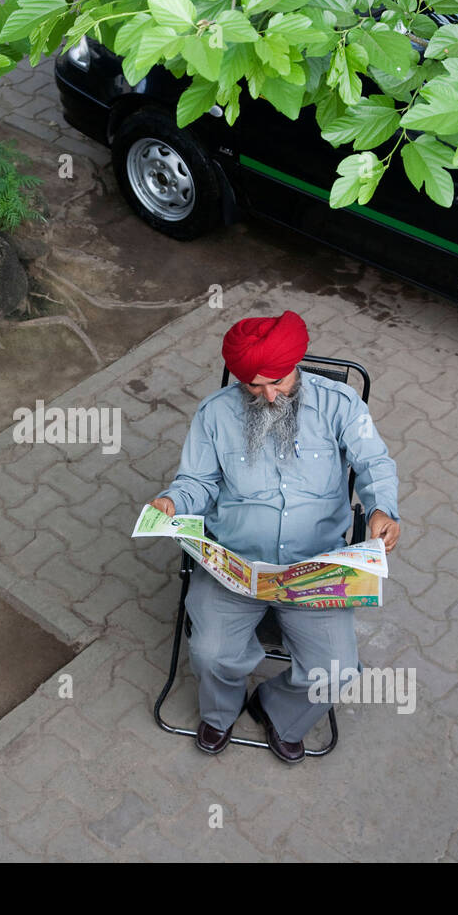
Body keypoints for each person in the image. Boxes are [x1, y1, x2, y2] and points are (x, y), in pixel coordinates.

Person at [148, 311, 401, 764]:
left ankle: (276, 708)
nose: (269, 396)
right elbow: (198, 483)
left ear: (295, 365)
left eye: (279, 382)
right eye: (254, 386)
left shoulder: (340, 404)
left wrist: (382, 506)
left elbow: (374, 463)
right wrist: (173, 501)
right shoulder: (214, 415)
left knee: (337, 670)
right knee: (210, 653)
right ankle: (220, 712)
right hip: (235, 565)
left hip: (314, 569)